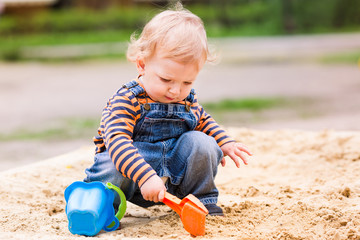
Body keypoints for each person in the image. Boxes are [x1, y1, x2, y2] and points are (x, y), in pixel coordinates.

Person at [84, 3, 252, 216]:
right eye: (166, 79)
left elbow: (203, 120)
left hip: (172, 175)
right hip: (131, 177)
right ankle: (100, 203)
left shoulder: (186, 100)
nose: (175, 90)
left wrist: (225, 141)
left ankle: (200, 201)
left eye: (187, 82)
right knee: (112, 162)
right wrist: (145, 176)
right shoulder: (127, 100)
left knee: (204, 143)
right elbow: (117, 142)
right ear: (142, 65)